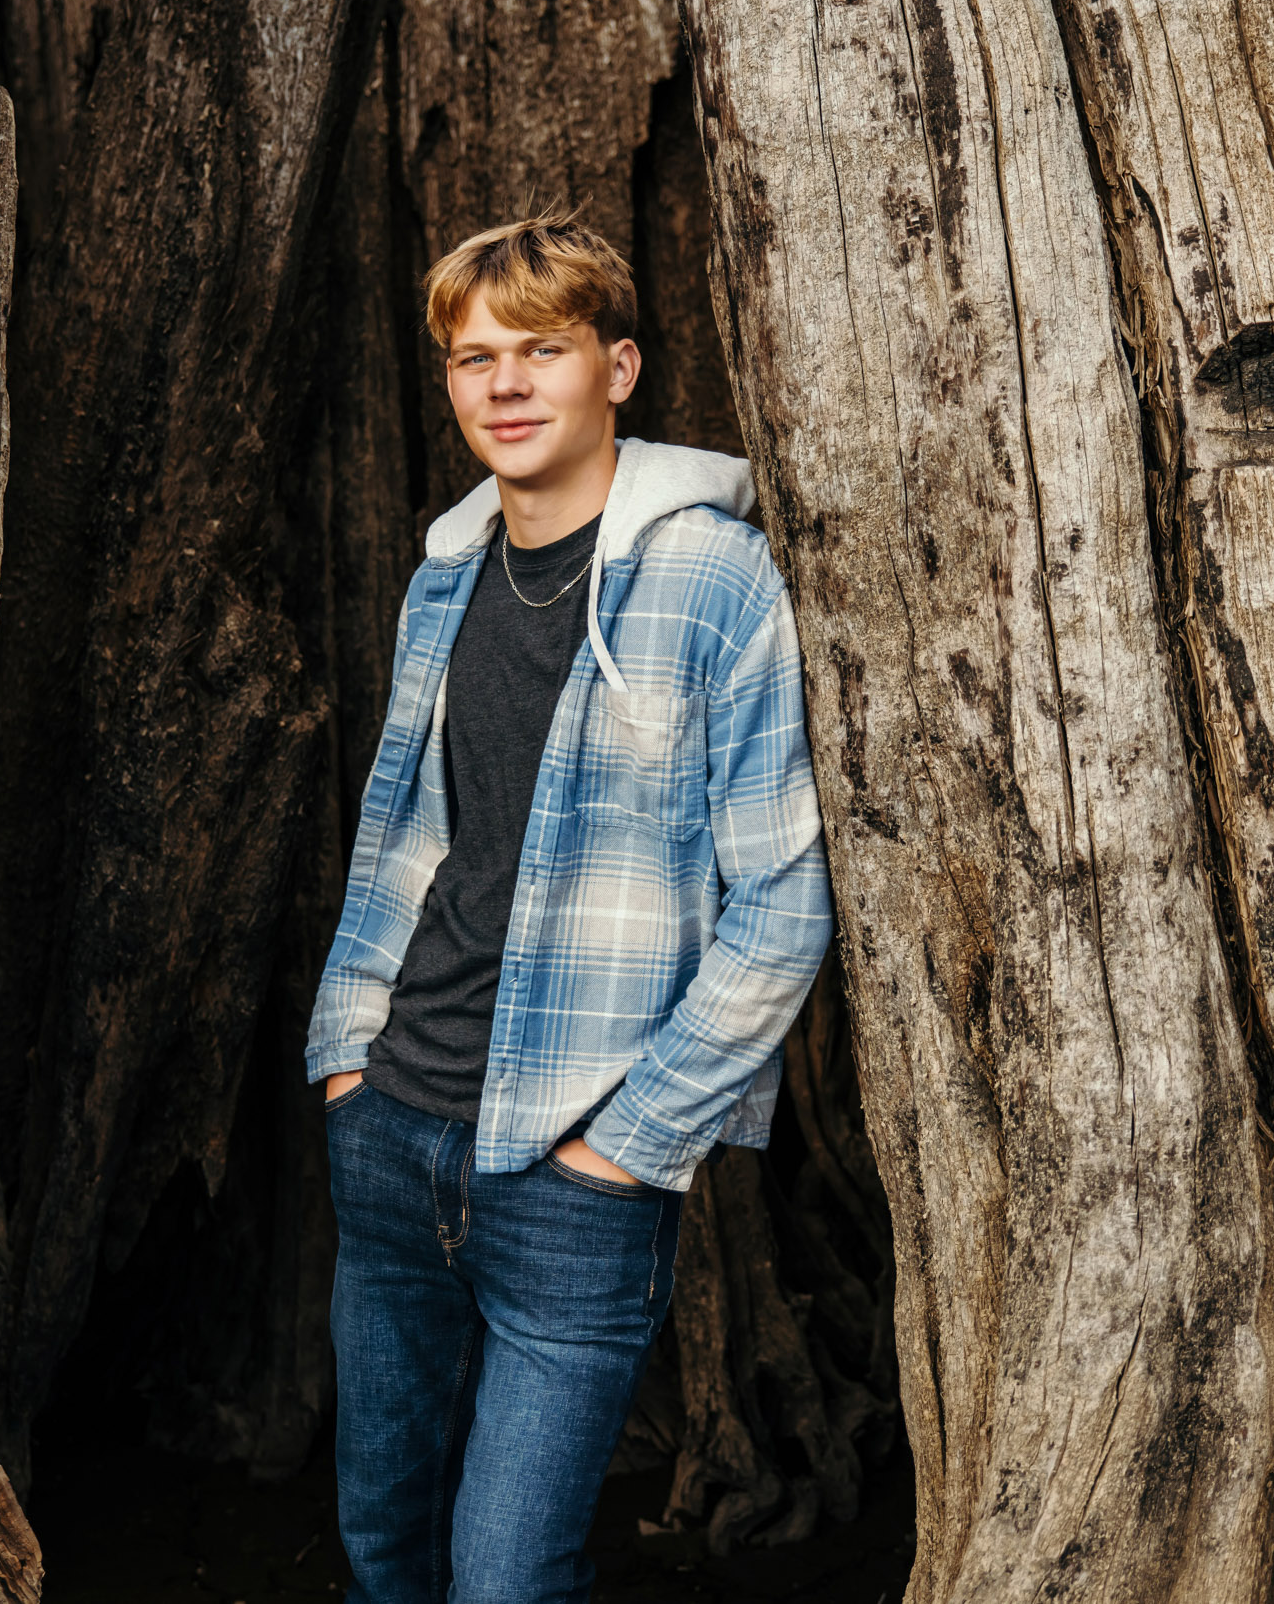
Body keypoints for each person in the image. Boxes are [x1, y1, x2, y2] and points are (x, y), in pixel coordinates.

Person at [304, 211, 833, 1604]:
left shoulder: (709, 578)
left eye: (544, 350)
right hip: (393, 1135)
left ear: (621, 366)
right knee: (384, 1549)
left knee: (506, 1580)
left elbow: (781, 897)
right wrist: (348, 1060)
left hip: (574, 1170)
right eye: (476, 358)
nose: (507, 384)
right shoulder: (445, 577)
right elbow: (406, 842)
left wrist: (632, 1145)